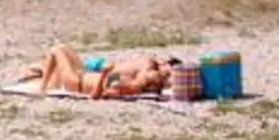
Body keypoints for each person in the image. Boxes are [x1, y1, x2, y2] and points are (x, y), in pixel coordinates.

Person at [23, 46, 177, 100]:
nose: (148, 71)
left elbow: (96, 96)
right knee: (64, 48)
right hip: (83, 74)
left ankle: (42, 89)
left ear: (148, 81)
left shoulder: (129, 87)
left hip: (77, 83)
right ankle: (45, 77)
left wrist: (104, 74)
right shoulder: (131, 80)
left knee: (56, 50)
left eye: (150, 73)